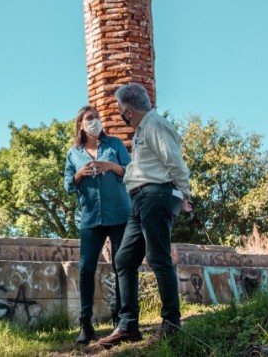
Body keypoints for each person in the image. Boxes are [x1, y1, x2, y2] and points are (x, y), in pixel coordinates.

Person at [97, 83, 192, 348]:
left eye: (119, 111)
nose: (120, 115)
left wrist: (184, 195)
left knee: (158, 258)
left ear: (127, 111)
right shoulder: (142, 131)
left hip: (157, 196)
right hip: (140, 201)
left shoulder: (155, 125)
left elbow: (175, 163)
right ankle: (128, 326)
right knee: (124, 259)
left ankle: (171, 324)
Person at [63, 105, 132, 345]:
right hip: (91, 217)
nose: (95, 121)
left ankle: (121, 321)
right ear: (81, 125)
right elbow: (67, 186)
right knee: (85, 268)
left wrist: (111, 166)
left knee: (120, 265)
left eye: (97, 117)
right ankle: (86, 324)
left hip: (120, 213)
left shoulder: (114, 145)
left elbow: (132, 172)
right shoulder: (73, 154)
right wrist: (79, 174)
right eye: (89, 118)